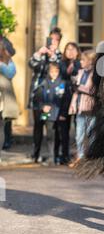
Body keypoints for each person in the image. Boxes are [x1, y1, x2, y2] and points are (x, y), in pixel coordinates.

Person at [28, 27, 63, 160]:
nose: (53, 42)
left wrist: (52, 55)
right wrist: (38, 53)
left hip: (52, 99)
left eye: (56, 40)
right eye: (51, 39)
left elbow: (60, 68)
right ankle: (35, 154)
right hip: (38, 96)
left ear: (59, 41)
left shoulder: (59, 55)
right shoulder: (41, 53)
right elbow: (31, 64)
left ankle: (52, 155)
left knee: (50, 126)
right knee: (38, 125)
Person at [31, 62, 71, 164]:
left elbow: (66, 100)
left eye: (56, 71)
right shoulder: (44, 83)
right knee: (49, 135)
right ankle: (51, 156)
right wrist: (42, 106)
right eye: (51, 71)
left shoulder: (63, 83)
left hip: (60, 114)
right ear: (48, 72)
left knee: (61, 136)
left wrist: (63, 113)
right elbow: (37, 99)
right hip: (47, 114)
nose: (54, 73)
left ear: (59, 72)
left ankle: (62, 156)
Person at [68, 50, 96, 165]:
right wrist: (72, 104)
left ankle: (91, 157)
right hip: (80, 107)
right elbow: (76, 91)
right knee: (79, 134)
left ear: (90, 61)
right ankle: (80, 156)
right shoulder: (80, 72)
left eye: (83, 60)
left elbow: (93, 90)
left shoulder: (96, 74)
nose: (81, 62)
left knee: (91, 134)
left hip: (90, 108)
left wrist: (79, 87)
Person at [58, 42, 81, 164]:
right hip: (65, 98)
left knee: (79, 128)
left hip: (77, 98)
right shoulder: (61, 63)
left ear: (77, 51)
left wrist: (74, 66)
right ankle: (64, 155)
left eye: (73, 49)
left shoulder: (80, 63)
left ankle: (79, 155)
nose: (70, 52)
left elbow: (78, 75)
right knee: (64, 129)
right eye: (68, 49)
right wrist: (69, 68)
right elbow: (63, 74)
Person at [0, 40, 19, 149]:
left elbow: (11, 73)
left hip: (3, 100)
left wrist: (1, 65)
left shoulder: (8, 60)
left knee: (1, 127)